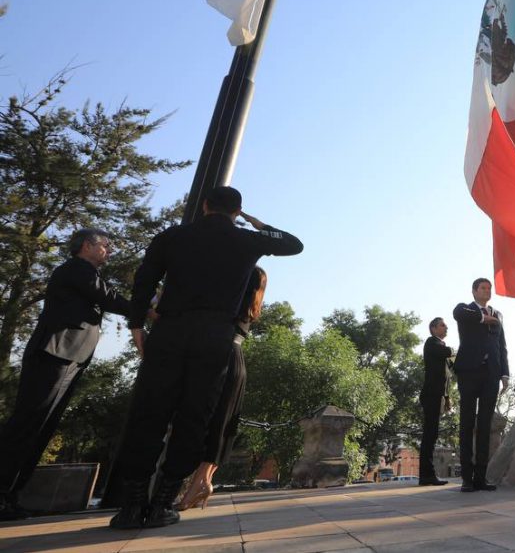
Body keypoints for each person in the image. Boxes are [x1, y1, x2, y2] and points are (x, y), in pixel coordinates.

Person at [109, 186, 303, 529]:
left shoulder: (173, 236)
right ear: (236, 211)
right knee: (194, 416)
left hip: (169, 330)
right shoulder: (246, 240)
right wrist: (253, 222)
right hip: (215, 336)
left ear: (204, 206)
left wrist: (137, 323)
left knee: (148, 413)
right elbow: (292, 244)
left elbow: (145, 280)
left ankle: (131, 506)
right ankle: (162, 504)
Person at [0, 229, 132, 521]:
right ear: (87, 246)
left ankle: (10, 495)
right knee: (27, 423)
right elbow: (108, 297)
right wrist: (146, 311)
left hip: (69, 358)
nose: (108, 252)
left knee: (42, 427)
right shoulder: (76, 270)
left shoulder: (84, 273)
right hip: (53, 355)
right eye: (105, 246)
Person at [175, 266, 268, 511]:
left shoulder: (232, 300)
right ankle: (203, 481)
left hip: (222, 357)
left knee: (212, 421)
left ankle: (200, 483)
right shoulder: (250, 305)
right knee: (222, 423)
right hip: (235, 358)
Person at [451, 278, 509, 493]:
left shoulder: (498, 314)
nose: (487, 291)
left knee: (485, 424)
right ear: (474, 291)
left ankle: (481, 477)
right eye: (483, 288)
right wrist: (483, 318)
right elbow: (458, 314)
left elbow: (502, 345)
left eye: (489, 288)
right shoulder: (465, 309)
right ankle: (467, 478)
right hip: (469, 371)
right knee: (467, 423)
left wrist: (505, 373)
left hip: (491, 373)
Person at [418, 316, 454, 486]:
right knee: (429, 436)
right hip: (431, 396)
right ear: (433, 329)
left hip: (437, 396)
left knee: (432, 435)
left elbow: (450, 370)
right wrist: (454, 350)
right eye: (442, 325)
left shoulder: (440, 346)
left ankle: (427, 475)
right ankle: (427, 475)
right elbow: (446, 352)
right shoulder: (432, 343)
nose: (446, 327)